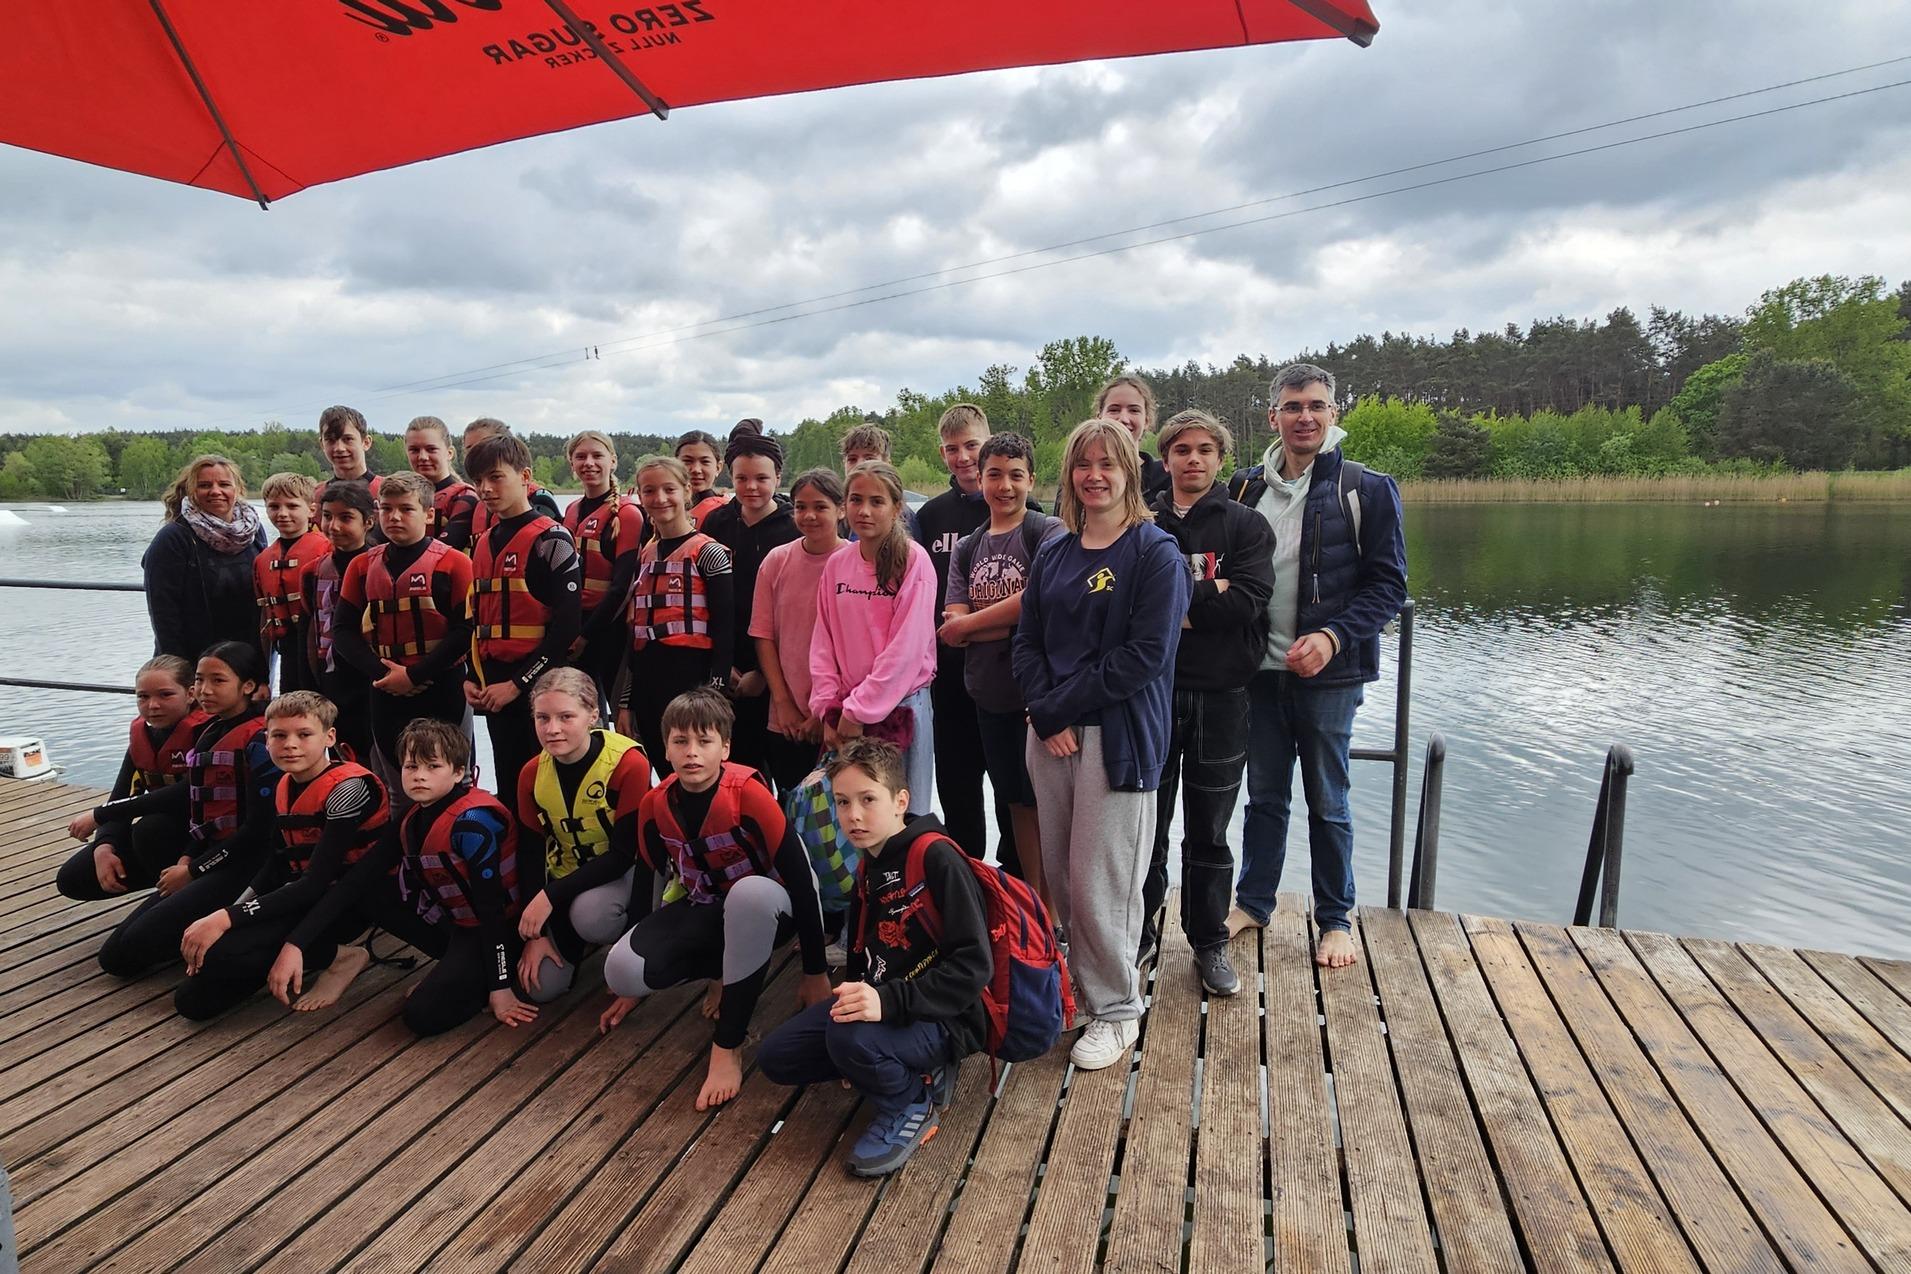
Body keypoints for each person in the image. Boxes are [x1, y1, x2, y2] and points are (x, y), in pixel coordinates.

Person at [1013, 419, 1187, 1070]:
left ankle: (1118, 1012)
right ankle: (1084, 997)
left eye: (1107, 464)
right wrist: (1042, 711)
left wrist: (1052, 706)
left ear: (1129, 473)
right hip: (1051, 736)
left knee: (1100, 884)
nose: (1094, 475)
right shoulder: (1055, 552)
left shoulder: (1154, 552)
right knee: (1060, 875)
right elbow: (1026, 641)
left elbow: (1144, 656)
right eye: (1082, 464)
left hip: (1116, 740)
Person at [1229, 364, 1407, 969]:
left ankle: (1336, 919)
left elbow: (1387, 588)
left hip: (1329, 674)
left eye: (1317, 405)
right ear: (1272, 416)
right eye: (1292, 405)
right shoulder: (1244, 488)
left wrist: (1332, 636)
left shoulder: (1366, 488)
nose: (1305, 415)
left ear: (1334, 415)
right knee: (1264, 796)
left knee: (1327, 798)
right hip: (1258, 670)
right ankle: (1253, 902)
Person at [758, 738, 990, 1178]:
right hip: (888, 1003)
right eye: (843, 802)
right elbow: (867, 956)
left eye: (868, 799)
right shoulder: (868, 863)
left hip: (946, 1016)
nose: (854, 816)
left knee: (850, 1041)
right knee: (778, 1057)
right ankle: (898, 1064)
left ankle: (912, 1103)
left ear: (901, 800)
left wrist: (886, 1004)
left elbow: (974, 968)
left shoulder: (937, 859)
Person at [597, 688, 832, 1112]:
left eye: (704, 742)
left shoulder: (750, 795)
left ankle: (728, 1045)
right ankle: (723, 974)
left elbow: (800, 881)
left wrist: (814, 971)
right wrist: (634, 987)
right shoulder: (655, 805)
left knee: (747, 894)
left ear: (725, 747)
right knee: (622, 969)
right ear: (664, 747)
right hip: (709, 906)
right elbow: (647, 882)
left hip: (773, 908)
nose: (692, 753)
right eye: (680, 741)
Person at [280, 718, 536, 1034]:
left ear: (458, 772)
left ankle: (480, 979)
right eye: (411, 767)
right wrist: (296, 944)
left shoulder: (473, 823)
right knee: (368, 890)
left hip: (496, 931)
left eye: (432, 767)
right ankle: (458, 972)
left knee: (422, 1016)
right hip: (456, 927)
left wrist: (500, 987)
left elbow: (491, 909)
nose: (419, 776)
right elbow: (356, 880)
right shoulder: (411, 819)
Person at [1140, 409, 1275, 996]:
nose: (1192, 459)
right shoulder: (1142, 522)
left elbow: (1247, 602)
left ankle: (1208, 940)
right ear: (1165, 457)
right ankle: (1139, 935)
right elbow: (1134, 603)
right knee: (1148, 825)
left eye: (1204, 450)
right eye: (1181, 450)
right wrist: (1202, 595)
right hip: (1155, 696)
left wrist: (1175, 604)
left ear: (1220, 458)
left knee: (1210, 830)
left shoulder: (1247, 525)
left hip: (1224, 697)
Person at [173, 691, 390, 1020]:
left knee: (219, 952)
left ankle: (341, 957)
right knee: (192, 1002)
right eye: (279, 735)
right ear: (267, 739)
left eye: (304, 735)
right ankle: (280, 955)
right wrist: (234, 909)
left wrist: (227, 918)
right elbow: (276, 862)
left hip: (347, 904)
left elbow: (316, 882)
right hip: (300, 895)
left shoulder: (348, 789)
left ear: (329, 737)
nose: (290, 744)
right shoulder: (285, 784)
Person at [95, 643, 281, 978]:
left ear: (249, 686)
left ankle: (241, 934)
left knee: (135, 946)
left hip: (250, 864)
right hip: (212, 853)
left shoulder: (261, 741)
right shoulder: (209, 734)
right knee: (114, 957)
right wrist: (186, 857)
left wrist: (194, 870)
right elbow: (201, 810)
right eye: (199, 680)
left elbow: (258, 831)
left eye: (218, 681)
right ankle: (188, 927)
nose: (204, 690)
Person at [916, 404, 1039, 868]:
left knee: (1016, 795)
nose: (963, 457)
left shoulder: (1034, 520)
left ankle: (1016, 886)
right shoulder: (929, 516)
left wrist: (970, 623)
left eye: (971, 445)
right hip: (950, 675)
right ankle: (968, 881)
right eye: (952, 449)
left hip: (1015, 678)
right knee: (958, 786)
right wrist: (958, 628)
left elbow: (1042, 602)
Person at [940, 432, 1063, 893]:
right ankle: (1034, 904)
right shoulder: (968, 546)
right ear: (980, 477)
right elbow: (952, 620)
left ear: (1031, 479)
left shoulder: (1046, 531)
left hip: (1037, 696)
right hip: (988, 694)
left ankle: (1056, 909)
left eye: (1015, 475)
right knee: (1014, 802)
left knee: (1047, 804)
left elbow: (1041, 602)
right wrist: (1005, 621)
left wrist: (974, 625)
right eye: (994, 474)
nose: (1004, 486)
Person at [514, 669, 653, 1004]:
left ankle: (630, 942)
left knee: (592, 916)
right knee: (537, 988)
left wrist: (548, 898)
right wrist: (537, 934)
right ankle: (576, 940)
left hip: (627, 873)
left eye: (566, 717)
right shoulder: (531, 774)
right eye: (542, 718)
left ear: (593, 715)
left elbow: (624, 854)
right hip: (568, 879)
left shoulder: (627, 764)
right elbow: (531, 854)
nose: (552, 729)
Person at [810, 461, 937, 818]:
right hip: (845, 715)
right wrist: (827, 706)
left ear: (897, 508)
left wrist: (858, 710)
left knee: (899, 817)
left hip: (900, 711)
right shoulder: (837, 564)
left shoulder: (914, 562)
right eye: (855, 499)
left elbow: (906, 650)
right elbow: (823, 642)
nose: (864, 511)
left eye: (877, 501)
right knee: (853, 819)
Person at [331, 469, 475, 786]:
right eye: (387, 508)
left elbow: (466, 631)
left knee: (453, 781)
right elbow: (342, 630)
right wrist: (384, 674)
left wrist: (414, 675)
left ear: (428, 513)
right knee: (398, 786)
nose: (395, 517)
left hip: (442, 686)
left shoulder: (455, 564)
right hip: (385, 689)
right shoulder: (362, 565)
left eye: (406, 509)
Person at [465, 432, 582, 799]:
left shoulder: (552, 541)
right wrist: (471, 678)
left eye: (496, 477)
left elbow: (566, 628)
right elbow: (475, 619)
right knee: (509, 784)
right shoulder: (484, 541)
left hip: (539, 684)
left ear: (525, 476)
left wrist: (518, 684)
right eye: (478, 480)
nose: (486, 488)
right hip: (493, 685)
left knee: (545, 788)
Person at [54, 656, 209, 902]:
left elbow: (184, 793)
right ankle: (162, 887)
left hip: (203, 838)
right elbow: (121, 796)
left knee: (150, 828)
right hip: (163, 839)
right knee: (73, 878)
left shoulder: (207, 734)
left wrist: (99, 814)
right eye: (143, 697)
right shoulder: (143, 737)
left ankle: (180, 900)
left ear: (190, 694)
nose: (152, 705)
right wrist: (105, 846)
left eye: (165, 695)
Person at [616, 455, 733, 776]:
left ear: (686, 491)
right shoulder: (646, 554)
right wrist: (626, 703)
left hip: (693, 682)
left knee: (700, 773)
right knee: (664, 771)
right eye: (649, 491)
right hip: (648, 685)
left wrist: (715, 697)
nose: (660, 498)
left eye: (669, 489)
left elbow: (725, 633)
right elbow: (635, 636)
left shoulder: (708, 552)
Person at [702, 431, 797, 775]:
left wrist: (764, 673)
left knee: (783, 769)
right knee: (737, 767)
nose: (751, 487)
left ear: (778, 478)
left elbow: (796, 614)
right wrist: (721, 664)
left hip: (779, 667)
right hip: (726, 665)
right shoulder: (718, 523)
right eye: (742, 478)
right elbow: (707, 600)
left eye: (761, 478)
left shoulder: (793, 528)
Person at [749, 469, 843, 791]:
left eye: (820, 506)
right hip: (786, 717)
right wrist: (783, 703)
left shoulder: (854, 562)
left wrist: (826, 713)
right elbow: (763, 635)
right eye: (801, 507)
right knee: (790, 807)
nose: (809, 515)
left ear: (841, 509)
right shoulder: (777, 561)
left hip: (838, 719)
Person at [142, 454, 267, 665]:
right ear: (191, 491)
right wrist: (179, 672)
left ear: (237, 490)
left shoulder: (253, 532)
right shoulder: (173, 539)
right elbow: (164, 615)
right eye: (205, 485)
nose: (215, 491)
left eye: (224, 484)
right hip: (196, 663)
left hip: (248, 663)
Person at [561, 429, 644, 712]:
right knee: (580, 714)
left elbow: (622, 586)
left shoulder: (627, 514)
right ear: (571, 464)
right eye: (580, 457)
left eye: (597, 455)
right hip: (574, 630)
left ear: (613, 461)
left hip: (610, 632)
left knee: (621, 717)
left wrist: (586, 636)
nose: (589, 463)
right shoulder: (571, 510)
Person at [304, 480, 377, 763]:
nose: (334, 526)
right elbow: (309, 631)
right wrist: (310, 682)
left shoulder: (379, 565)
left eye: (346, 518)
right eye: (327, 516)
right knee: (342, 755)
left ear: (368, 521)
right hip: (333, 676)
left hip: (373, 677)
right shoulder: (314, 571)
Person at [253, 473, 329, 694]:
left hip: (322, 652)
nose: (283, 514)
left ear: (311, 510)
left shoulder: (327, 550)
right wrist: (262, 675)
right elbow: (263, 620)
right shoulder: (262, 559)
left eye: (292, 506)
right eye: (274, 507)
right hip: (287, 650)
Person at [463, 418, 562, 531]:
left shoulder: (540, 500)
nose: (479, 455)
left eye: (486, 445)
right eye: (470, 449)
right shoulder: (480, 501)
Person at [405, 415, 479, 551]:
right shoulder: (400, 496)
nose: (422, 457)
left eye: (431, 449)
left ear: (449, 453)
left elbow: (448, 548)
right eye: (414, 450)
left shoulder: (463, 496)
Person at [1095, 374, 1172, 501]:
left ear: (1147, 420)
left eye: (1134, 410)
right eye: (1114, 410)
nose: (1123, 419)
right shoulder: (1081, 475)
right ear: (1099, 417)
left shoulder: (1166, 477)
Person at [676, 430, 730, 529]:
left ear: (718, 467)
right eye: (687, 461)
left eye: (705, 462)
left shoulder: (728, 515)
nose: (696, 470)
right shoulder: (661, 509)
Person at [319, 405, 381, 493]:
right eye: (330, 440)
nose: (339, 448)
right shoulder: (315, 497)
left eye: (348, 439)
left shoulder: (390, 494)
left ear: (366, 442)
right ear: (322, 444)